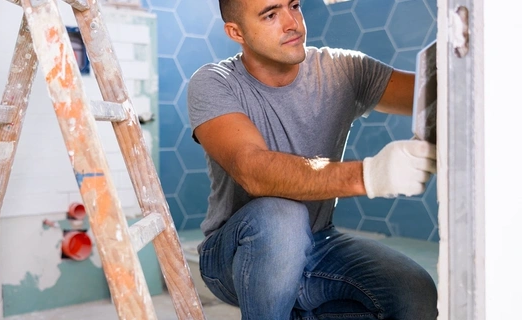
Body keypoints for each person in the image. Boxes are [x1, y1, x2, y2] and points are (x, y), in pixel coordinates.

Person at [186, 0, 438, 319]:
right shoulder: (214, 82)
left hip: (320, 241)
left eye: (294, 5)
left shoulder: (342, 70)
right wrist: (370, 175)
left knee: (414, 293)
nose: (292, 23)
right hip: (234, 255)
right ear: (236, 32)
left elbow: (434, 94)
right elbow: (252, 170)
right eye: (271, 14)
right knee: (282, 216)